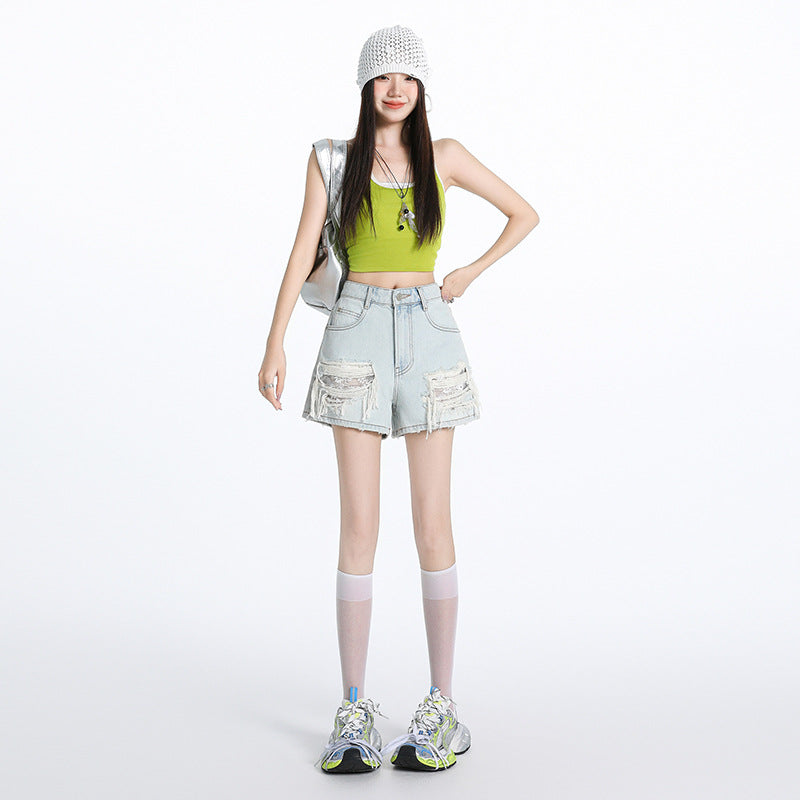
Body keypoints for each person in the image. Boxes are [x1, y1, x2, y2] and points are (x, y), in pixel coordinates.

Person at [258, 24, 539, 774]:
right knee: (359, 527)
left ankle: (441, 705)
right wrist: (275, 342)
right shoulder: (333, 159)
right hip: (352, 332)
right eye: (383, 76)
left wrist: (469, 272)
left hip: (430, 331)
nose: (395, 88)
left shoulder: (444, 157)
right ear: (365, 86)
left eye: (408, 78)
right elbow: (301, 249)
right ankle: (353, 708)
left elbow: (525, 213)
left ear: (421, 89)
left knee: (432, 524)